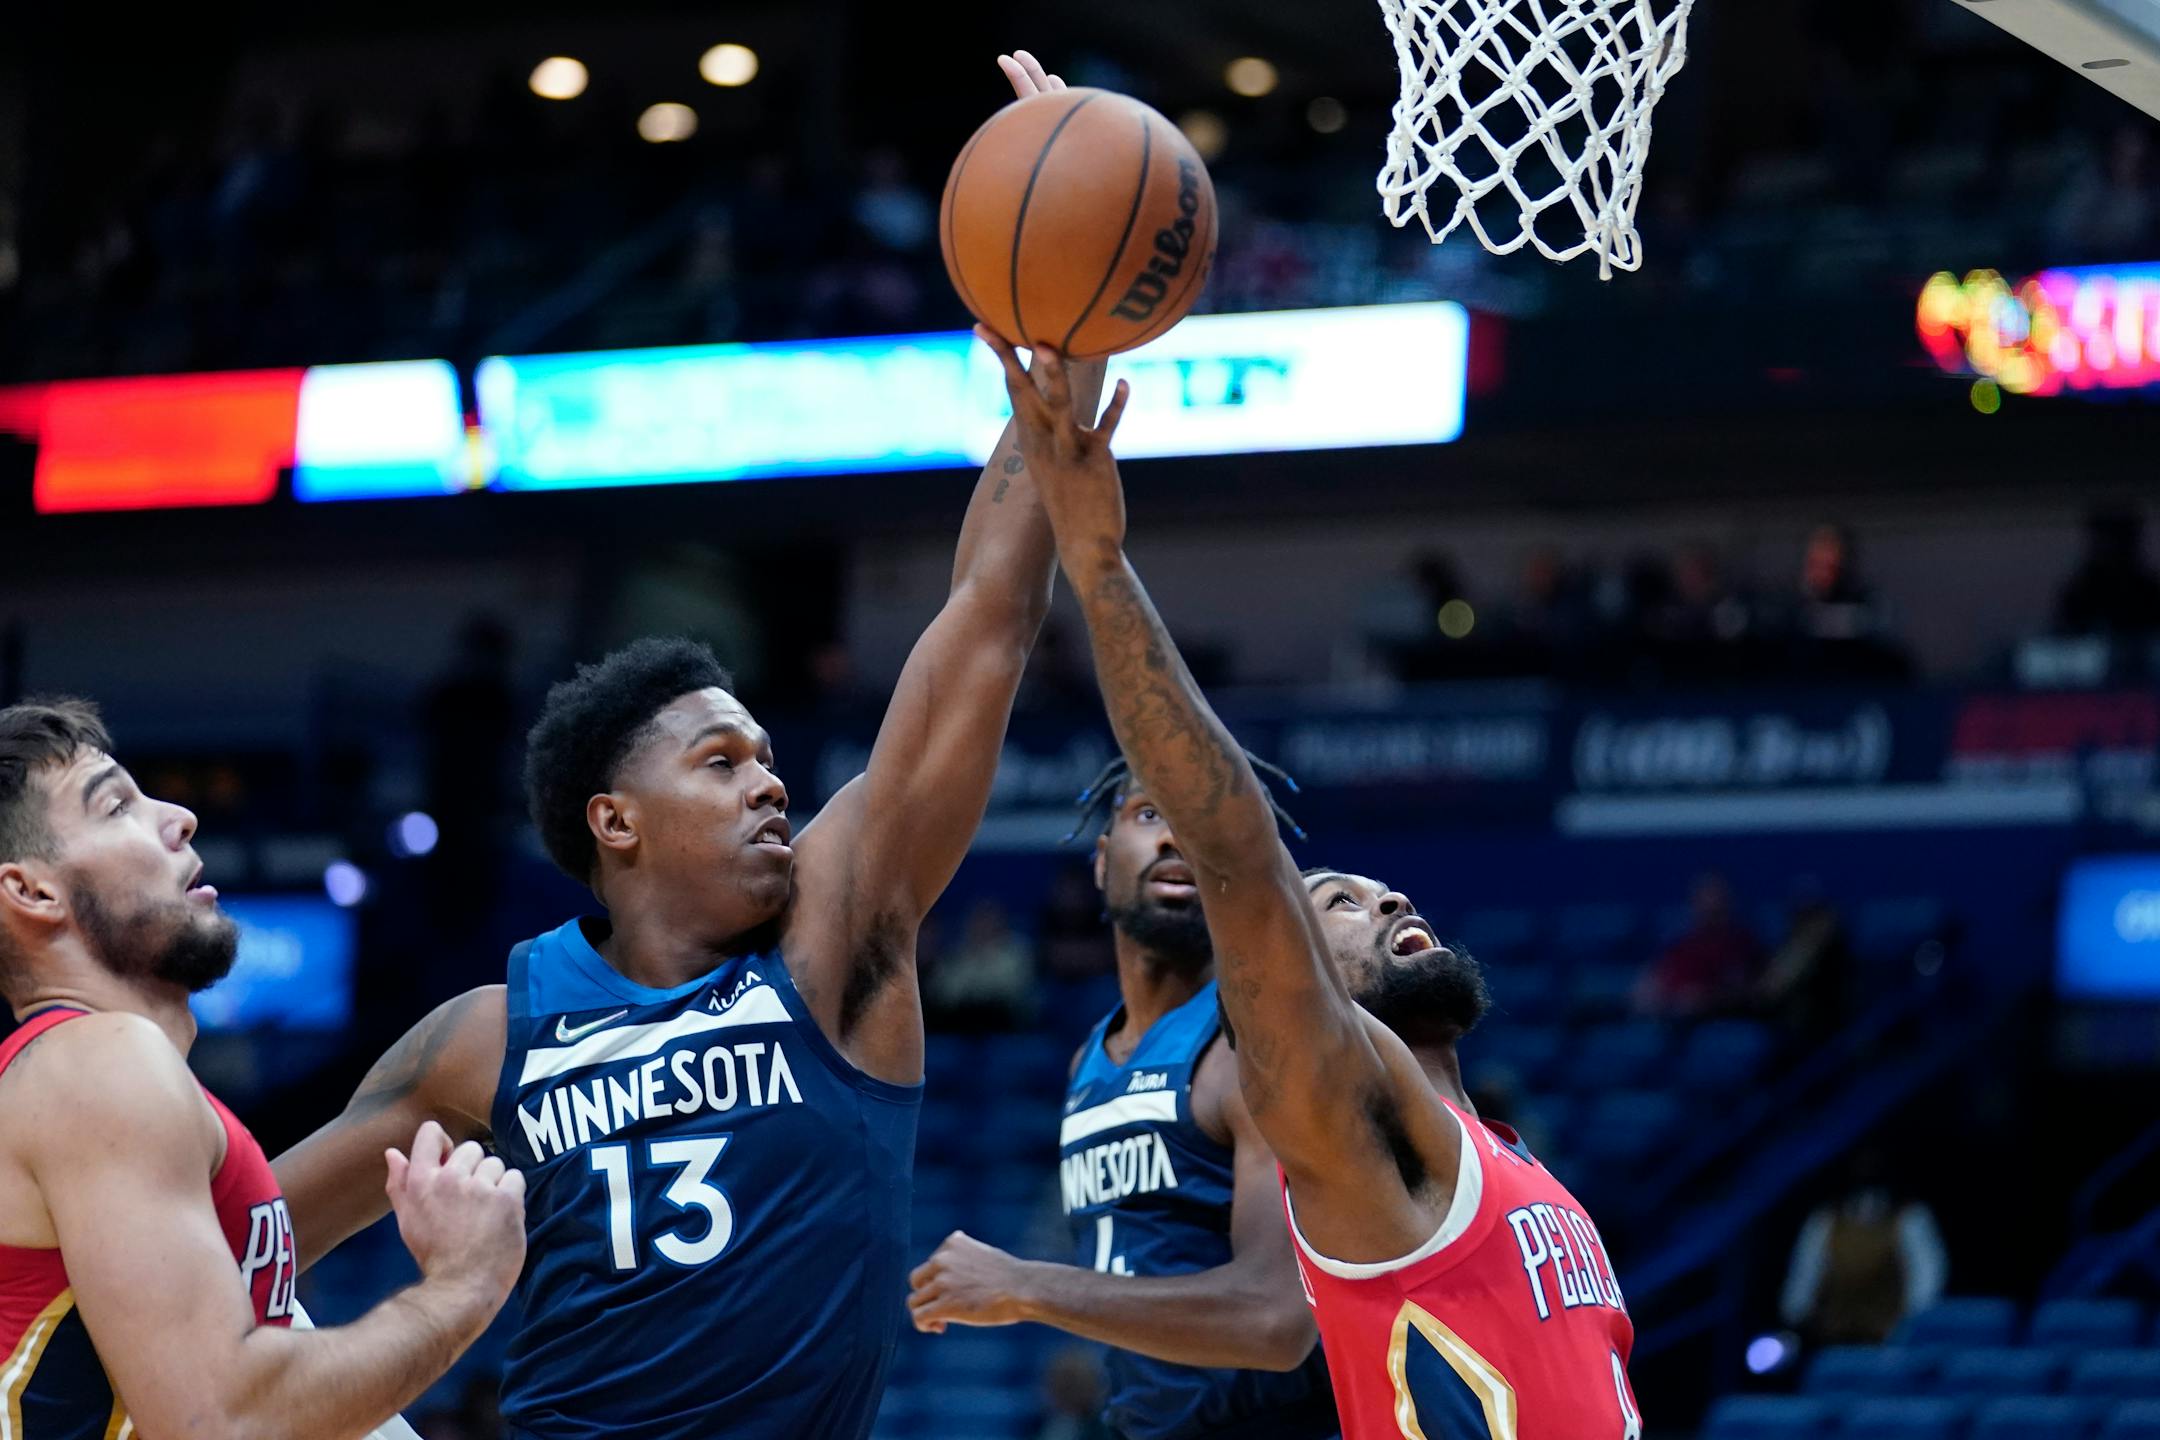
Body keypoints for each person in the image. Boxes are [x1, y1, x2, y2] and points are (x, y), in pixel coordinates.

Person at [271, 52, 1096, 1440]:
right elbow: (247, 1244)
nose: (770, 778)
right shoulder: (489, 1036)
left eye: (766, 755)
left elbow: (984, 627)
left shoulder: (834, 938)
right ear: (616, 820)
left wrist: (1056, 354)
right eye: (720, 762)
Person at [982, 336, 1641, 1438]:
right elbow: (1239, 850)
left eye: (1386, 896)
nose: (1386, 903)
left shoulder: (1496, 1151)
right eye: (1336, 902)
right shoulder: (1341, 1117)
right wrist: (1098, 567)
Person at [0, 698, 525, 1440]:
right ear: (32, 891)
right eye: (116, 806)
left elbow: (242, 1305)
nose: (179, 817)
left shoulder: (74, 1078)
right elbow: (223, 1420)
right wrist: (465, 1284)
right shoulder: (98, 1062)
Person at [907, 765, 1336, 1440]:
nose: (1176, 837)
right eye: (1149, 813)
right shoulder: (1088, 1058)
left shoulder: (1252, 1045)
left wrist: (1026, 1286)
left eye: (1202, 820)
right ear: (1103, 861)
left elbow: (1275, 1320)